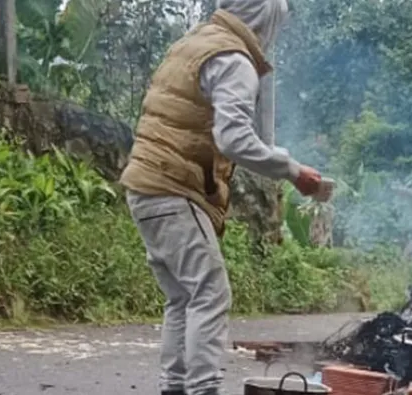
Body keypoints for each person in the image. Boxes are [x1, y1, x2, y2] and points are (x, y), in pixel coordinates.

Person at [117, 1, 329, 394]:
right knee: (211, 293)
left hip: (144, 187)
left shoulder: (197, 41)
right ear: (265, 18)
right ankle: (204, 389)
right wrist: (293, 170)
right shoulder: (233, 59)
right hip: (173, 189)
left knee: (183, 297)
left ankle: (175, 387)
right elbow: (235, 140)